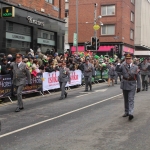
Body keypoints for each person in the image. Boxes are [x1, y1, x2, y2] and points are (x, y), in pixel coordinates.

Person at [119, 53, 141, 121]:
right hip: (125, 83)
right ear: (125, 59)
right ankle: (126, 112)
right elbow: (117, 71)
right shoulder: (122, 66)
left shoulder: (136, 67)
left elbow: (138, 77)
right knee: (126, 99)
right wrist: (119, 63)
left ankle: (131, 113)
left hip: (132, 84)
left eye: (129, 59)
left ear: (132, 59)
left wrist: (139, 86)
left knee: (131, 99)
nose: (128, 60)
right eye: (127, 59)